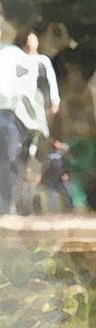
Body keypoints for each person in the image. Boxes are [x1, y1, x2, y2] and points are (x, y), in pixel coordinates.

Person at [0, 40, 49, 215]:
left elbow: (30, 87)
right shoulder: (16, 56)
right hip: (11, 117)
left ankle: (6, 207)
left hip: (10, 114)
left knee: (10, 160)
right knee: (10, 160)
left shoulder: (15, 56)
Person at [22, 31, 61, 121]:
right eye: (28, 41)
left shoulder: (43, 60)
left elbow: (52, 81)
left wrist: (55, 101)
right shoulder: (21, 60)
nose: (30, 43)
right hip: (24, 100)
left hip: (40, 99)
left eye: (33, 41)